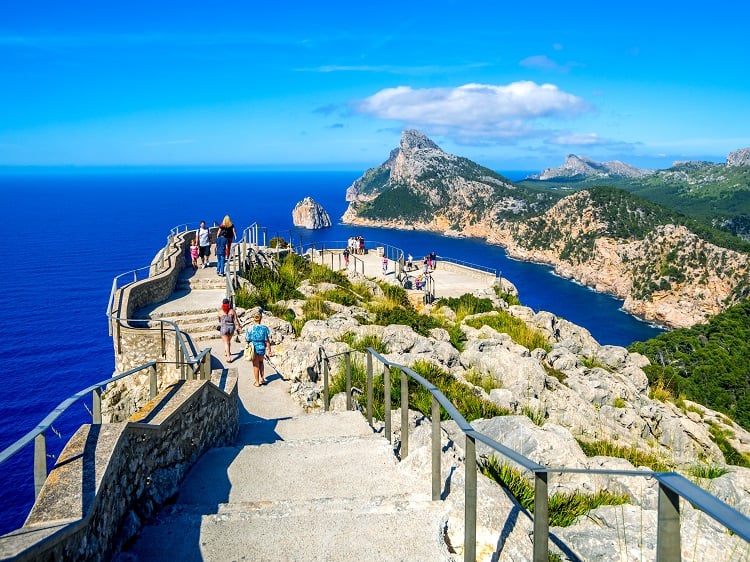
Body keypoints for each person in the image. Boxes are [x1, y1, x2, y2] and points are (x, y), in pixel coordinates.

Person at [245, 310, 272, 386]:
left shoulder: (250, 328)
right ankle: (262, 379)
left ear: (254, 319)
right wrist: (269, 349)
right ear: (260, 319)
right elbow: (267, 340)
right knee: (261, 363)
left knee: (255, 365)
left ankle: (257, 382)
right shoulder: (264, 328)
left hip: (253, 348)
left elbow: (247, 339)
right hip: (262, 348)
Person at [218, 298, 241, 363]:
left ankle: (228, 358)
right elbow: (236, 320)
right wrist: (238, 327)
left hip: (224, 328)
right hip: (231, 328)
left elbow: (219, 320)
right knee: (229, 341)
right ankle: (227, 352)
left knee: (226, 342)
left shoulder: (220, 312)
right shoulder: (232, 311)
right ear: (228, 304)